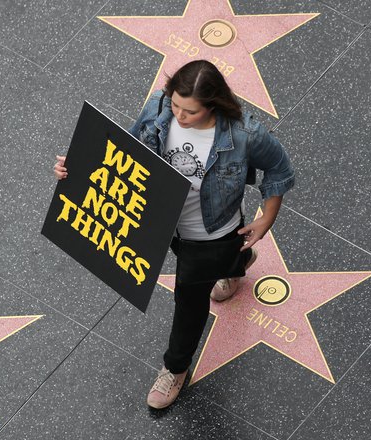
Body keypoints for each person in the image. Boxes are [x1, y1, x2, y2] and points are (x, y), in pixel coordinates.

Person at [53, 60, 294, 409]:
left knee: (190, 301)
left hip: (211, 232)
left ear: (213, 105)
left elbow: (279, 168)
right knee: (217, 261)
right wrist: (73, 167)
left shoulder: (244, 134)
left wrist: (266, 219)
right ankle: (237, 260)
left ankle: (175, 369)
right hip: (161, 221)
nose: (179, 115)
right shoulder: (159, 106)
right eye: (176, 105)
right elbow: (125, 151)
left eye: (190, 111)